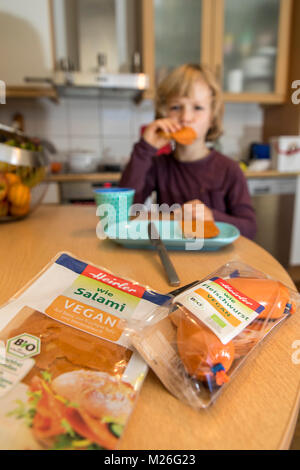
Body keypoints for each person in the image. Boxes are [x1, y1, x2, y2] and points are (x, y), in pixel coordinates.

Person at [120, 64, 256, 239]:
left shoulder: (229, 170)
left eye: (197, 108)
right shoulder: (158, 166)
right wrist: (144, 149)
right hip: (172, 254)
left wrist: (213, 217)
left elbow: (250, 228)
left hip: (218, 260)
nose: (185, 118)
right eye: (176, 107)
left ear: (212, 118)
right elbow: (124, 211)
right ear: (164, 114)